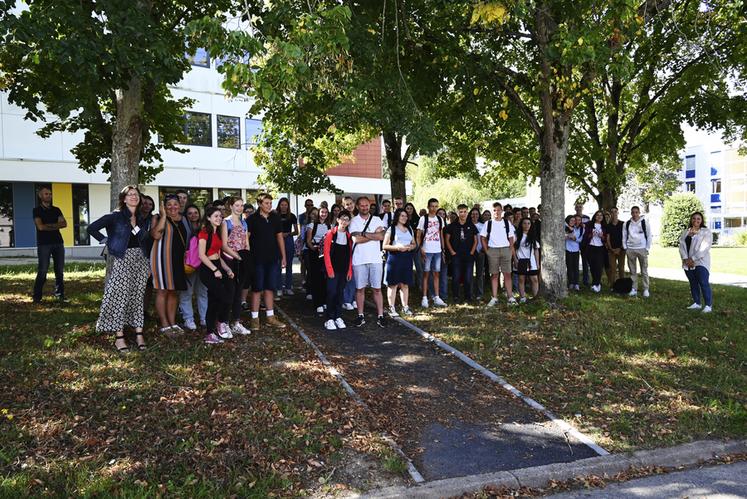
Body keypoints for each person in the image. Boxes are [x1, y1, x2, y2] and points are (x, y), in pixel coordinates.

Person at [87, 185, 151, 352]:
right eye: (130, 194)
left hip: (141, 259)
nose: (133, 197)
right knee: (120, 297)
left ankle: (139, 334)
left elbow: (145, 239)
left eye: (136, 194)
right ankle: (119, 337)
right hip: (123, 259)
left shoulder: (142, 217)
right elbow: (91, 228)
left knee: (137, 297)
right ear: (123, 198)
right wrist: (107, 241)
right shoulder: (114, 217)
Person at [150, 194, 189, 337]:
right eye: (169, 205)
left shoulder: (183, 219)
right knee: (162, 290)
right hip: (161, 259)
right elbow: (156, 235)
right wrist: (164, 216)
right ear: (164, 207)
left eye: (175, 204)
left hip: (178, 260)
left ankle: (173, 322)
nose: (173, 207)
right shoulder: (157, 218)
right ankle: (164, 324)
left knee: (173, 291)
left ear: (180, 205)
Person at [247, 193, 287, 330]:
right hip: (257, 259)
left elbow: (280, 237)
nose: (269, 205)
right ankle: (254, 319)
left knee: (270, 287)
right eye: (266, 203)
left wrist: (284, 256)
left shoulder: (275, 218)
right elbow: (246, 239)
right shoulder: (251, 219)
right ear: (259, 204)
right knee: (257, 288)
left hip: (273, 258)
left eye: (270, 203)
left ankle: (270, 317)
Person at [197, 206, 236, 344]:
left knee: (216, 300)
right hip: (208, 269)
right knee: (224, 297)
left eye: (220, 216)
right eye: (215, 216)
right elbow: (201, 255)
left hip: (217, 266)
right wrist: (214, 270)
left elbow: (218, 256)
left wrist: (227, 269)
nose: (219, 218)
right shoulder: (203, 233)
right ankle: (219, 324)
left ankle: (211, 331)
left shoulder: (217, 233)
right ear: (208, 218)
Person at [349, 196, 387, 327]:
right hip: (359, 260)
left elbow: (381, 236)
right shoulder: (353, 221)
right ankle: (360, 316)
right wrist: (373, 235)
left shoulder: (377, 219)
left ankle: (381, 315)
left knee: (377, 289)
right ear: (358, 206)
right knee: (360, 289)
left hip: (376, 259)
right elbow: (356, 240)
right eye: (362, 205)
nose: (365, 207)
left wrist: (363, 233)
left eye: (366, 205)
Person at [220, 197, 252, 337]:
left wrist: (247, 256)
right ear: (231, 206)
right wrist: (237, 256)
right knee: (230, 291)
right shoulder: (226, 222)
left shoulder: (244, 223)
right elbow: (224, 245)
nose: (240, 208)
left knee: (239, 292)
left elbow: (246, 242)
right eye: (237, 205)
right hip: (230, 259)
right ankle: (224, 322)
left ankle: (236, 322)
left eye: (241, 205)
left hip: (242, 260)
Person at [32, 186, 67, 303]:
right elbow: (40, 227)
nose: (49, 196)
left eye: (50, 194)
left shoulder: (56, 209)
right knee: (42, 270)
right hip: (44, 244)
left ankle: (60, 295)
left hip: (58, 242)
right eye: (46, 194)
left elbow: (64, 224)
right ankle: (37, 298)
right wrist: (55, 225)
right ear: (40, 196)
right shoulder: (36, 210)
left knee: (59, 271)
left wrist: (49, 225)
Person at [480, 202, 517, 306]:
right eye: (494, 210)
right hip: (493, 251)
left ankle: (510, 297)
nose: (496, 212)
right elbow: (482, 237)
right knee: (494, 274)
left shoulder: (506, 222)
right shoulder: (488, 223)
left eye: (498, 210)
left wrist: (510, 248)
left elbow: (511, 236)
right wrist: (487, 250)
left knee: (507, 274)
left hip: (505, 250)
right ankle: (494, 297)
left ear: (502, 211)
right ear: (492, 212)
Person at [322, 210, 353, 330]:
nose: (344, 221)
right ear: (338, 219)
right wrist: (329, 270)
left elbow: (350, 255)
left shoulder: (349, 236)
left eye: (347, 219)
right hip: (333, 270)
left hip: (344, 270)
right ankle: (329, 318)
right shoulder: (331, 233)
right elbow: (326, 253)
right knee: (331, 292)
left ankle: (338, 316)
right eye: (343, 219)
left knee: (340, 293)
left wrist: (349, 271)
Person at [383, 208, 416, 316]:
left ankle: (405, 307)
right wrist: (397, 248)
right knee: (393, 284)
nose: (404, 218)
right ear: (397, 217)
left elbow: (414, 243)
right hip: (394, 259)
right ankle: (391, 307)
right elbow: (384, 245)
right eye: (402, 215)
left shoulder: (409, 228)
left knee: (405, 284)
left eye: (406, 216)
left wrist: (411, 247)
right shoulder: (391, 229)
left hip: (407, 258)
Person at [179, 204, 207, 330]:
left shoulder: (205, 227)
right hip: (188, 264)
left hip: (203, 264)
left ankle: (204, 317)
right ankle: (188, 319)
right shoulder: (183, 227)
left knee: (202, 292)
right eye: (190, 213)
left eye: (195, 212)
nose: (193, 215)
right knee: (187, 293)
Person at [679, 212, 713, 313]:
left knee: (703, 282)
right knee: (693, 283)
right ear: (691, 220)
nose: (696, 220)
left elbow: (705, 248)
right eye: (694, 218)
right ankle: (697, 303)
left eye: (698, 219)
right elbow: (681, 246)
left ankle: (708, 305)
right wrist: (685, 259)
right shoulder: (686, 232)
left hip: (700, 261)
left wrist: (692, 259)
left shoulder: (706, 232)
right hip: (687, 262)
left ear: (701, 220)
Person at [417, 199, 447, 308]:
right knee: (426, 274)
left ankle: (437, 297)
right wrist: (420, 247)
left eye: (436, 206)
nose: (434, 208)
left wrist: (443, 250)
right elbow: (418, 235)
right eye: (432, 206)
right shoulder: (423, 219)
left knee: (436, 274)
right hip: (427, 250)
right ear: (428, 207)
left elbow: (441, 235)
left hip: (437, 250)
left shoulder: (440, 219)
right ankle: (424, 297)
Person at [445, 204, 478, 303]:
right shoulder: (452, 226)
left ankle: (468, 296)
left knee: (468, 277)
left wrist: (472, 252)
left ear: (467, 212)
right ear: (458, 212)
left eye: (465, 211)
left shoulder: (471, 225)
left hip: (468, 255)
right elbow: (447, 240)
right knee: (456, 277)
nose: (463, 214)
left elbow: (476, 240)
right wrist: (452, 252)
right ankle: (456, 296)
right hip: (456, 255)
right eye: (461, 212)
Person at [306, 206, 331, 313]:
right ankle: (318, 303)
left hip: (326, 253)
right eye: (322, 212)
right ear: (318, 213)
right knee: (316, 277)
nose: (324, 214)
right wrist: (314, 249)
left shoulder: (330, 225)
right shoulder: (312, 225)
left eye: (326, 212)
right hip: (315, 252)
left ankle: (324, 301)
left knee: (325, 278)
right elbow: (308, 240)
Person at [623, 206, 652, 298]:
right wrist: (625, 247)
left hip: (642, 249)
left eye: (636, 212)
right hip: (630, 249)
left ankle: (646, 289)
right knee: (632, 271)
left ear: (639, 213)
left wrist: (647, 248)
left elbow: (649, 236)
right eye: (633, 212)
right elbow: (624, 236)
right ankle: (633, 289)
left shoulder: (644, 222)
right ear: (631, 213)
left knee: (644, 270)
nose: (635, 214)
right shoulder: (627, 224)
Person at [514, 218, 541, 302]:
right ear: (521, 225)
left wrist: (537, 263)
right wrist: (515, 259)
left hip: (531, 261)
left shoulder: (533, 236)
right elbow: (513, 248)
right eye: (524, 223)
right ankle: (522, 297)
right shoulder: (517, 236)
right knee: (521, 279)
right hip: (521, 260)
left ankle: (535, 297)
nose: (527, 225)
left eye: (529, 223)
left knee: (534, 279)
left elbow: (536, 250)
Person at [276, 197, 297, 295]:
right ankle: (279, 287)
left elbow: (297, 231)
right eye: (282, 205)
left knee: (289, 264)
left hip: (288, 240)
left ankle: (288, 287)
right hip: (277, 240)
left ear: (288, 206)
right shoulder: (275, 215)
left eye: (285, 205)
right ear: (279, 205)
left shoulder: (292, 216)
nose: (284, 207)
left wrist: (288, 234)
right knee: (278, 265)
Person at [582, 211, 608, 293]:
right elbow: (585, 236)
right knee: (592, 267)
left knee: (599, 267)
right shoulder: (589, 225)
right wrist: (591, 235)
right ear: (595, 216)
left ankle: (597, 284)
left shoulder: (605, 226)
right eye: (598, 215)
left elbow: (606, 239)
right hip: (590, 247)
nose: (599, 216)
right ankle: (595, 283)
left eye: (601, 215)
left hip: (600, 248)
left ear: (603, 217)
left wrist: (602, 236)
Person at [341, 196, 358, 309]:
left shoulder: (357, 217)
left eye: (351, 203)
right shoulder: (343, 218)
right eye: (347, 204)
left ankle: (353, 298)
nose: (349, 206)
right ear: (344, 206)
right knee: (347, 275)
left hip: (356, 248)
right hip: (346, 248)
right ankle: (346, 299)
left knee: (356, 274)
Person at [605, 207, 625, 288]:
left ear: (618, 212)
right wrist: (612, 249)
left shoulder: (623, 224)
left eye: (615, 212)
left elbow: (625, 237)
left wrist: (620, 248)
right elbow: (608, 238)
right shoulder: (608, 225)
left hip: (621, 250)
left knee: (621, 269)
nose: (614, 213)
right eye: (612, 212)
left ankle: (622, 286)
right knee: (612, 269)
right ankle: (612, 286)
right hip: (611, 251)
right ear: (610, 214)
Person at [405, 202, 423, 291]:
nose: (409, 210)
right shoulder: (403, 219)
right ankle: (409, 285)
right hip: (406, 245)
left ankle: (420, 284)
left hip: (416, 245)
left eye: (411, 208)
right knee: (408, 266)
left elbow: (420, 232)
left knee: (419, 266)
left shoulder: (418, 219)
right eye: (407, 208)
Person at [470, 208, 486, 300]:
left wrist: (484, 249)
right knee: (470, 273)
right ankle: (470, 293)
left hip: (480, 251)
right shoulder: (467, 225)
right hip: (470, 252)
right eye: (473, 214)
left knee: (479, 274)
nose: (475, 216)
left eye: (476, 214)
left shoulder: (483, 225)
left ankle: (479, 293)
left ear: (479, 215)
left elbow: (485, 238)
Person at [574, 203, 591, 286]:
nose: (578, 208)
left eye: (580, 207)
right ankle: (574, 281)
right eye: (577, 207)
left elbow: (589, 229)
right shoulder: (572, 217)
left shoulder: (587, 218)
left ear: (583, 208)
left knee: (585, 262)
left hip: (584, 243)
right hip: (574, 243)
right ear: (574, 208)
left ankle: (586, 281)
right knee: (574, 263)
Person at [565, 215, 583, 291]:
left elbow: (580, 239)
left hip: (576, 250)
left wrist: (574, 238)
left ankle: (576, 283)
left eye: (574, 220)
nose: (573, 222)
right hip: (568, 249)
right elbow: (563, 237)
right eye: (571, 220)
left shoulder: (578, 229)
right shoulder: (564, 227)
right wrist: (568, 236)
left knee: (576, 267)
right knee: (569, 267)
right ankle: (571, 283)